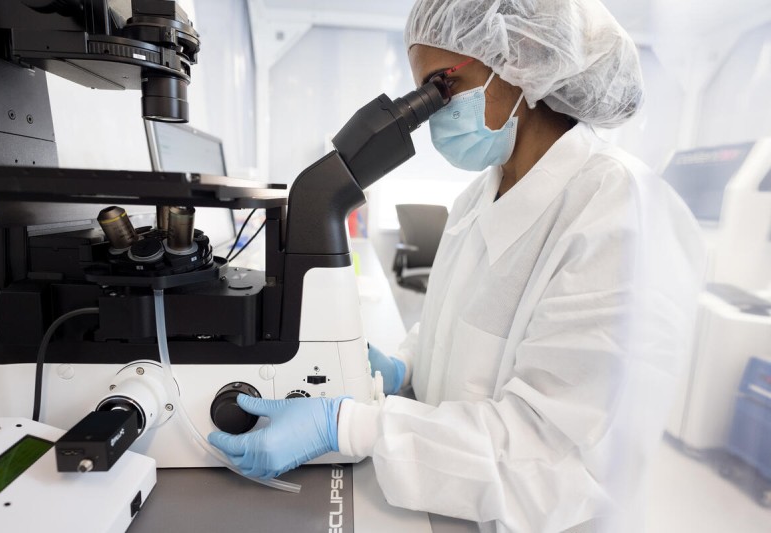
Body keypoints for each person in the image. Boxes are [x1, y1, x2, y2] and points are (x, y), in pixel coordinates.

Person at [208, 1, 705, 531]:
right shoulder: (480, 193)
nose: (428, 113)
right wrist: (401, 367)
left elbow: (554, 463)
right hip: (451, 503)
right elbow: (454, 329)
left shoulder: (619, 213)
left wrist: (350, 427)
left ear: (524, 57)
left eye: (440, 86)